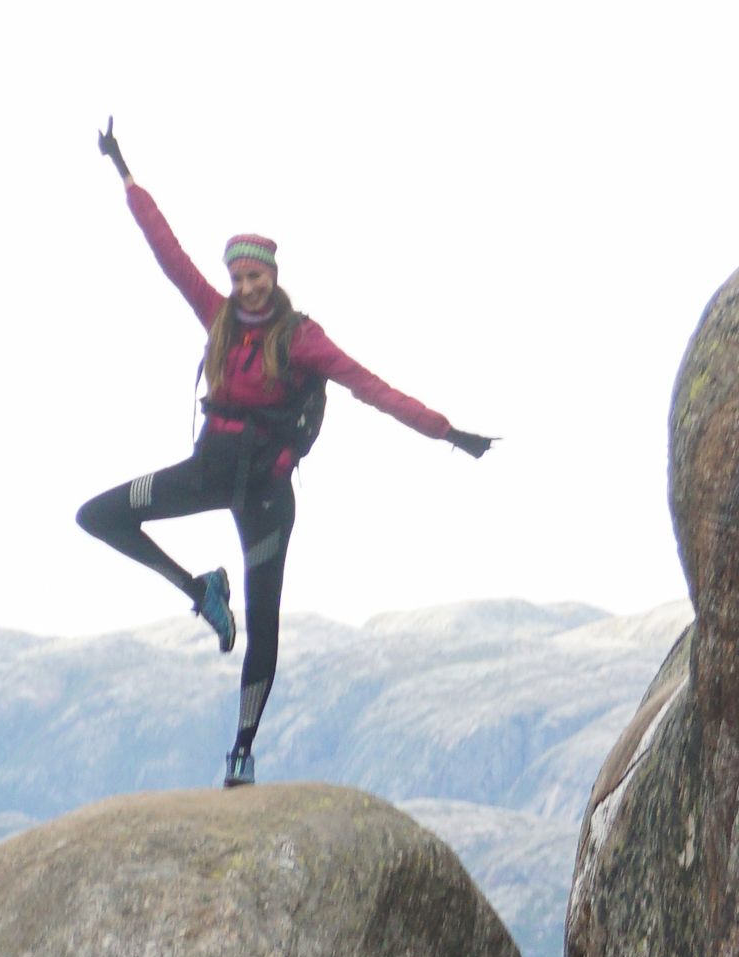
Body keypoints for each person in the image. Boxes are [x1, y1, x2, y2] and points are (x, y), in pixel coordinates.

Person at [76, 120, 491, 785]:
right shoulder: (214, 314)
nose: (246, 287)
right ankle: (201, 590)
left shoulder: (301, 339)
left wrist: (447, 433)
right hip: (209, 474)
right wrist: (124, 173)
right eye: (239, 276)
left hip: (267, 497)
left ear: (273, 275)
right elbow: (167, 250)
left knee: (264, 624)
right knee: (99, 516)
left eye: (256, 276)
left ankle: (242, 749)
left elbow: (369, 386)